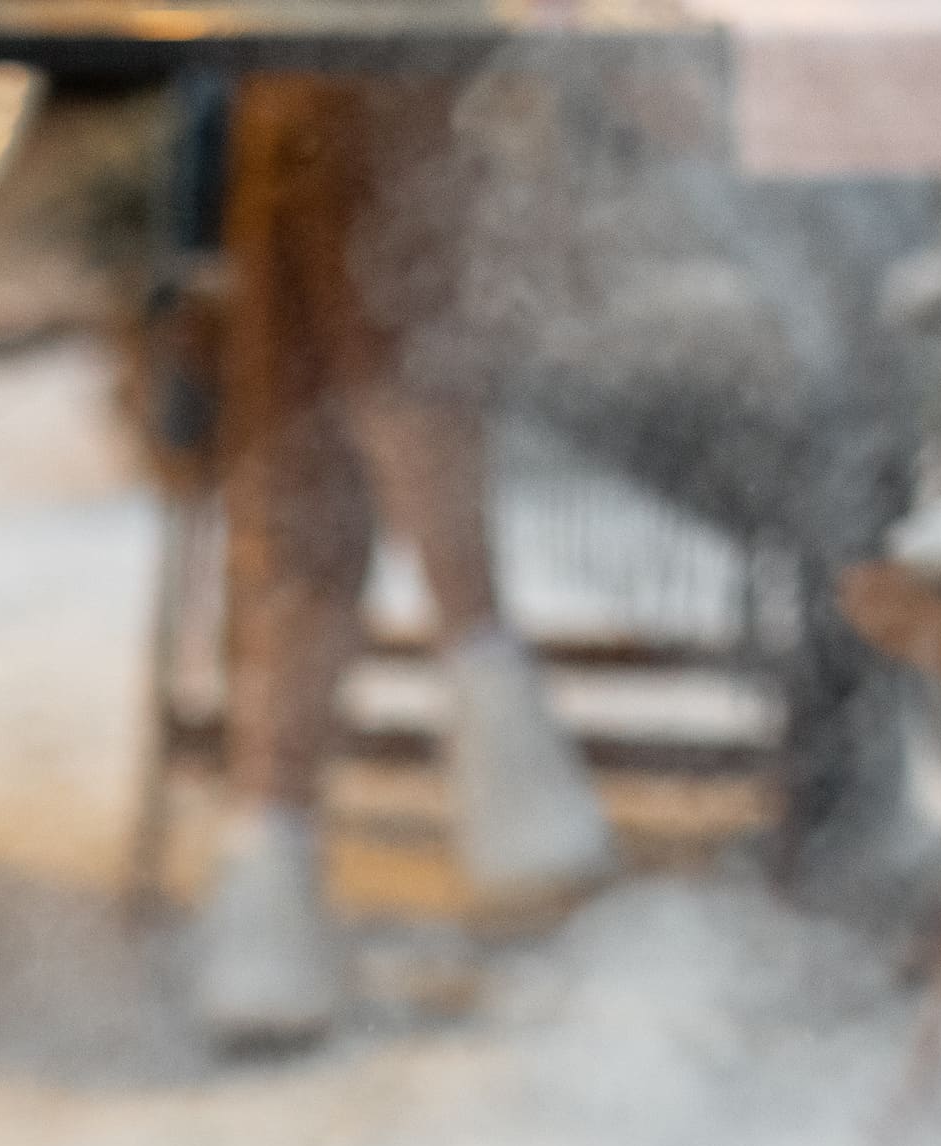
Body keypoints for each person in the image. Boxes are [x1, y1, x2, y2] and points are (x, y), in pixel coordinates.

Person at [188, 75, 620, 1056]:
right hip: (442, 183)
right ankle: (478, 651)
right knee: (336, 130)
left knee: (323, 130)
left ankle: (270, 828)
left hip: (580, 193)